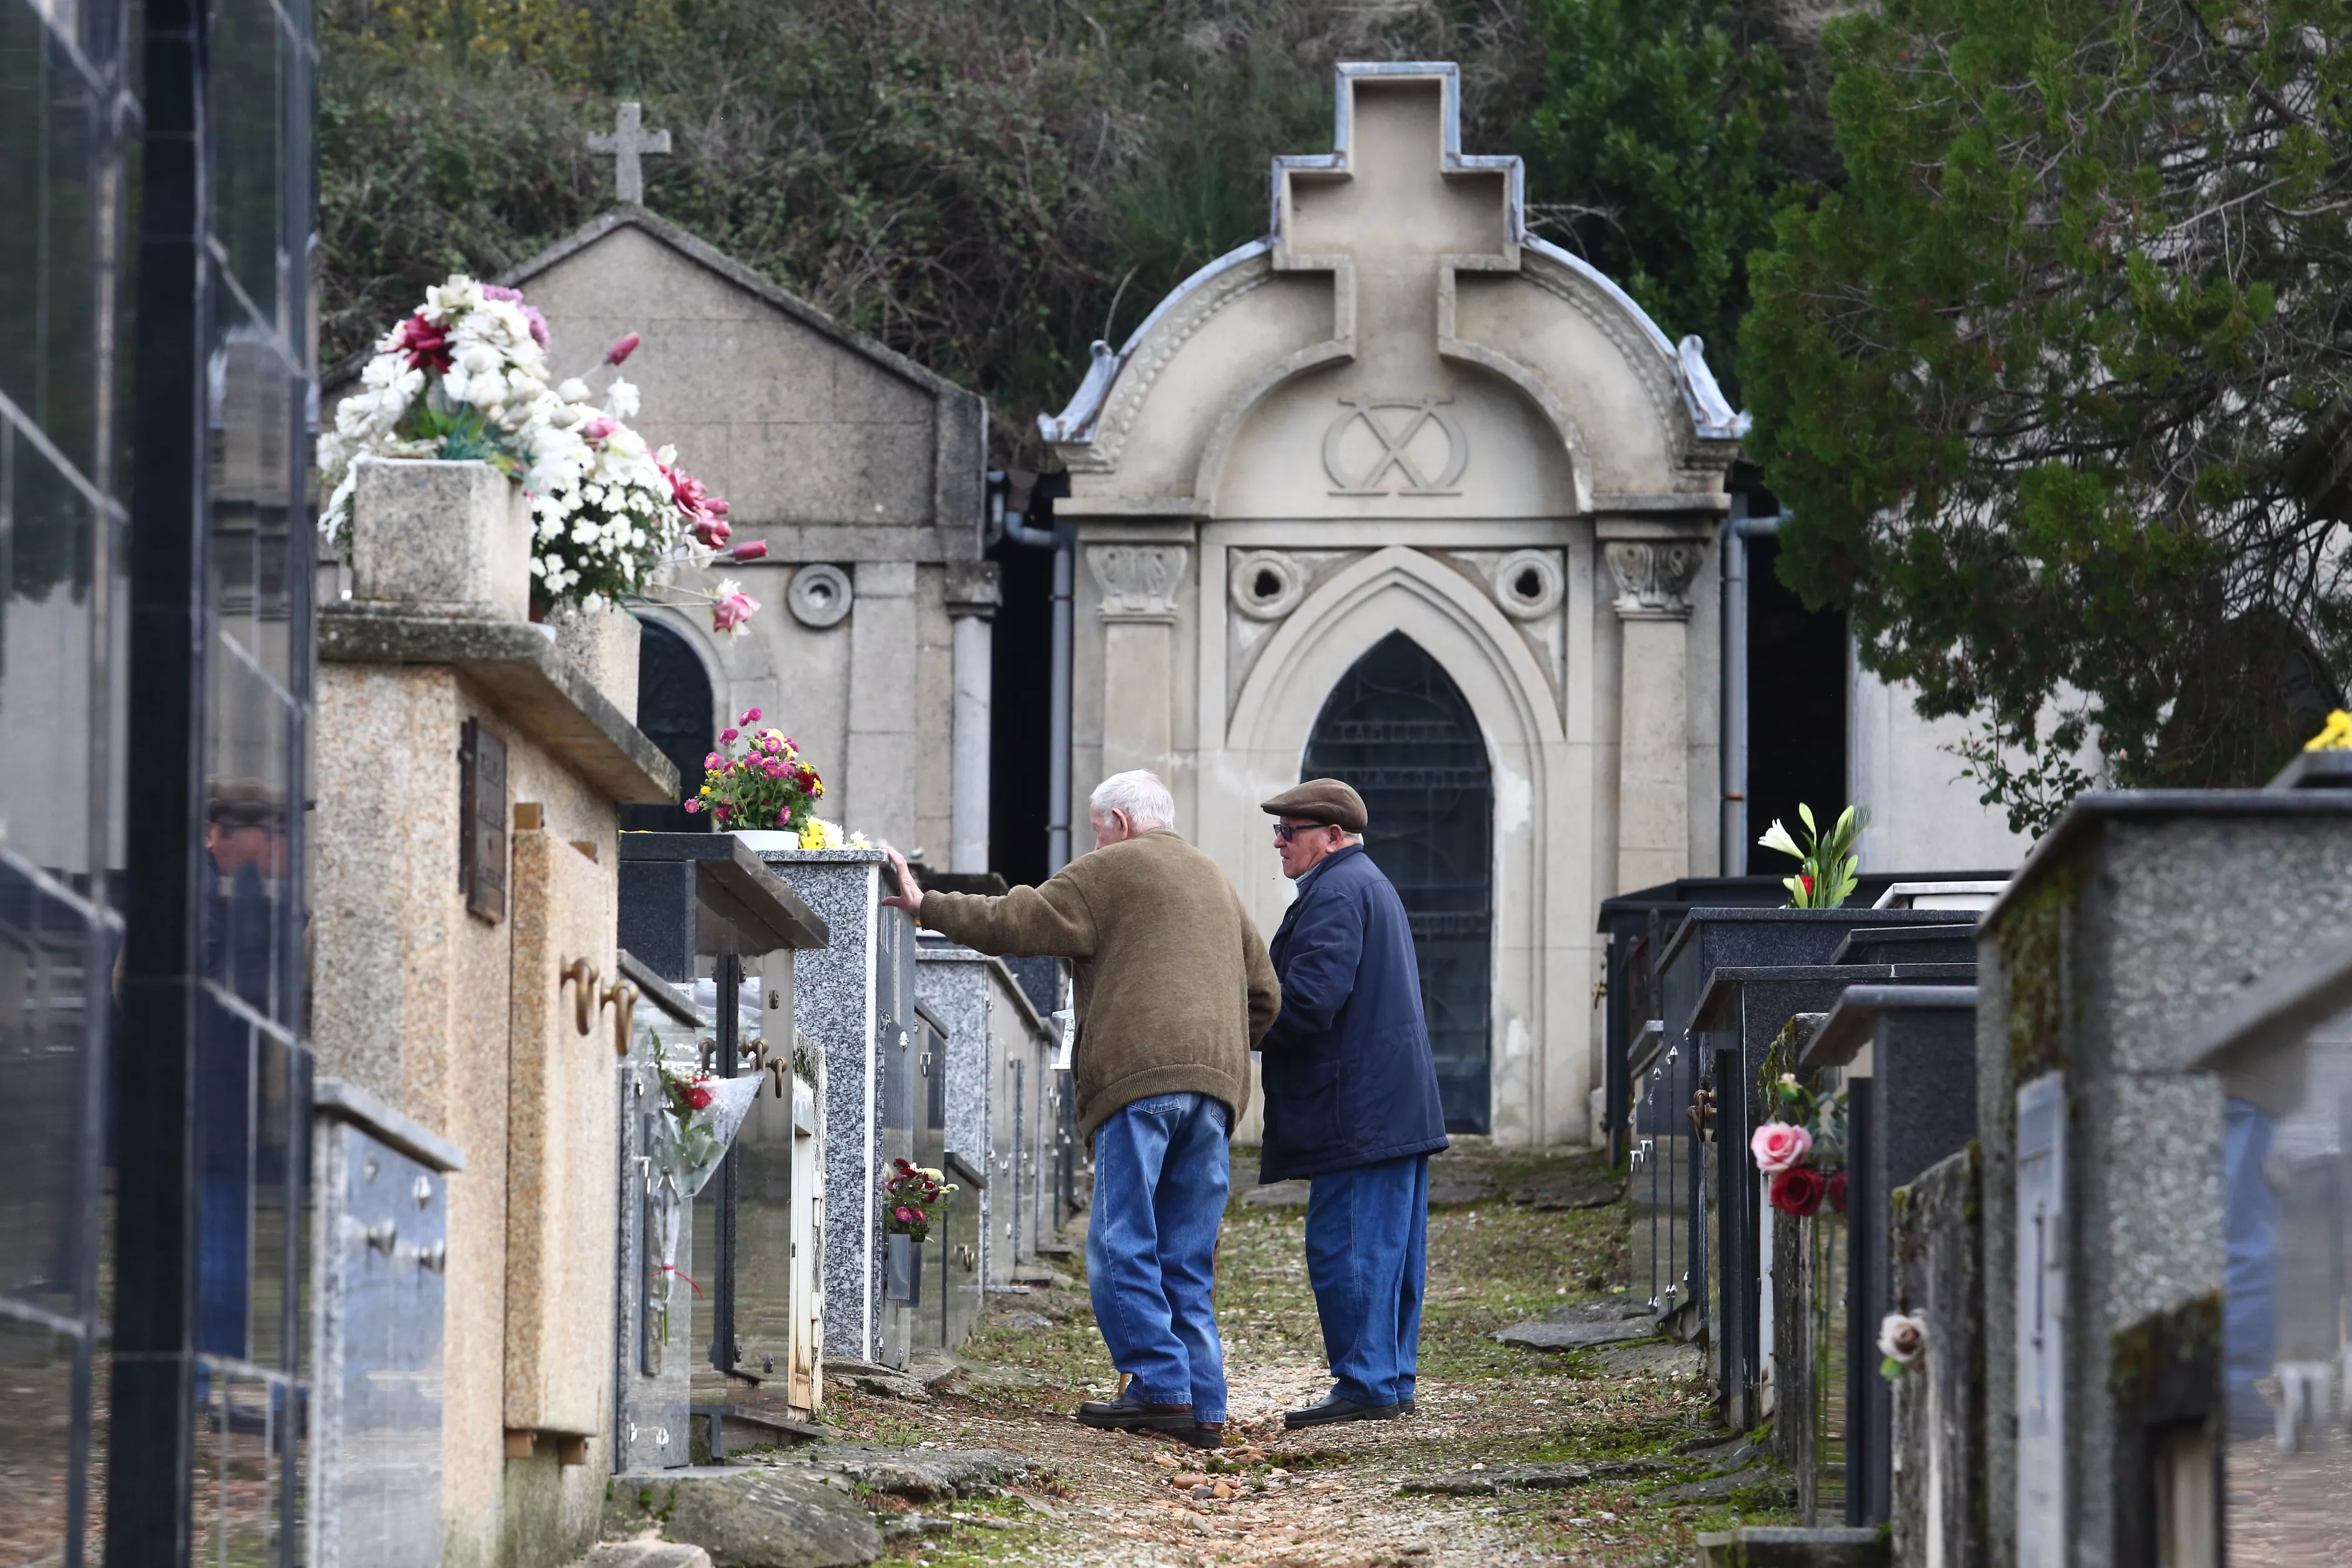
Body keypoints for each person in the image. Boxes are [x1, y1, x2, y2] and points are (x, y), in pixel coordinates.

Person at [881, 770, 1278, 1450]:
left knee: (1124, 1239)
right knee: (1187, 1252)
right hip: (1216, 1088)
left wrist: (926, 905)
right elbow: (1264, 995)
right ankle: (1203, 1404)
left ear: (1120, 823)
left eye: (1097, 830)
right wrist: (1211, 1048)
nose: (1095, 842)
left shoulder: (1112, 870)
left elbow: (1017, 918)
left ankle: (1159, 1386)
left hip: (1137, 1081)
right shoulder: (1214, 877)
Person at [1257, 778, 1448, 1428]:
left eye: (1292, 830)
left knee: (1349, 1246)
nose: (1279, 841)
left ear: (1333, 836)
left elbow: (1308, 1000)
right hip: (1387, 1107)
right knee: (1388, 1249)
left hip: (1359, 1111)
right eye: (1277, 830)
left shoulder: (1337, 890)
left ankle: (1367, 1379)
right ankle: (1388, 1376)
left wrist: (1237, 1020)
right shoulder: (1363, 881)